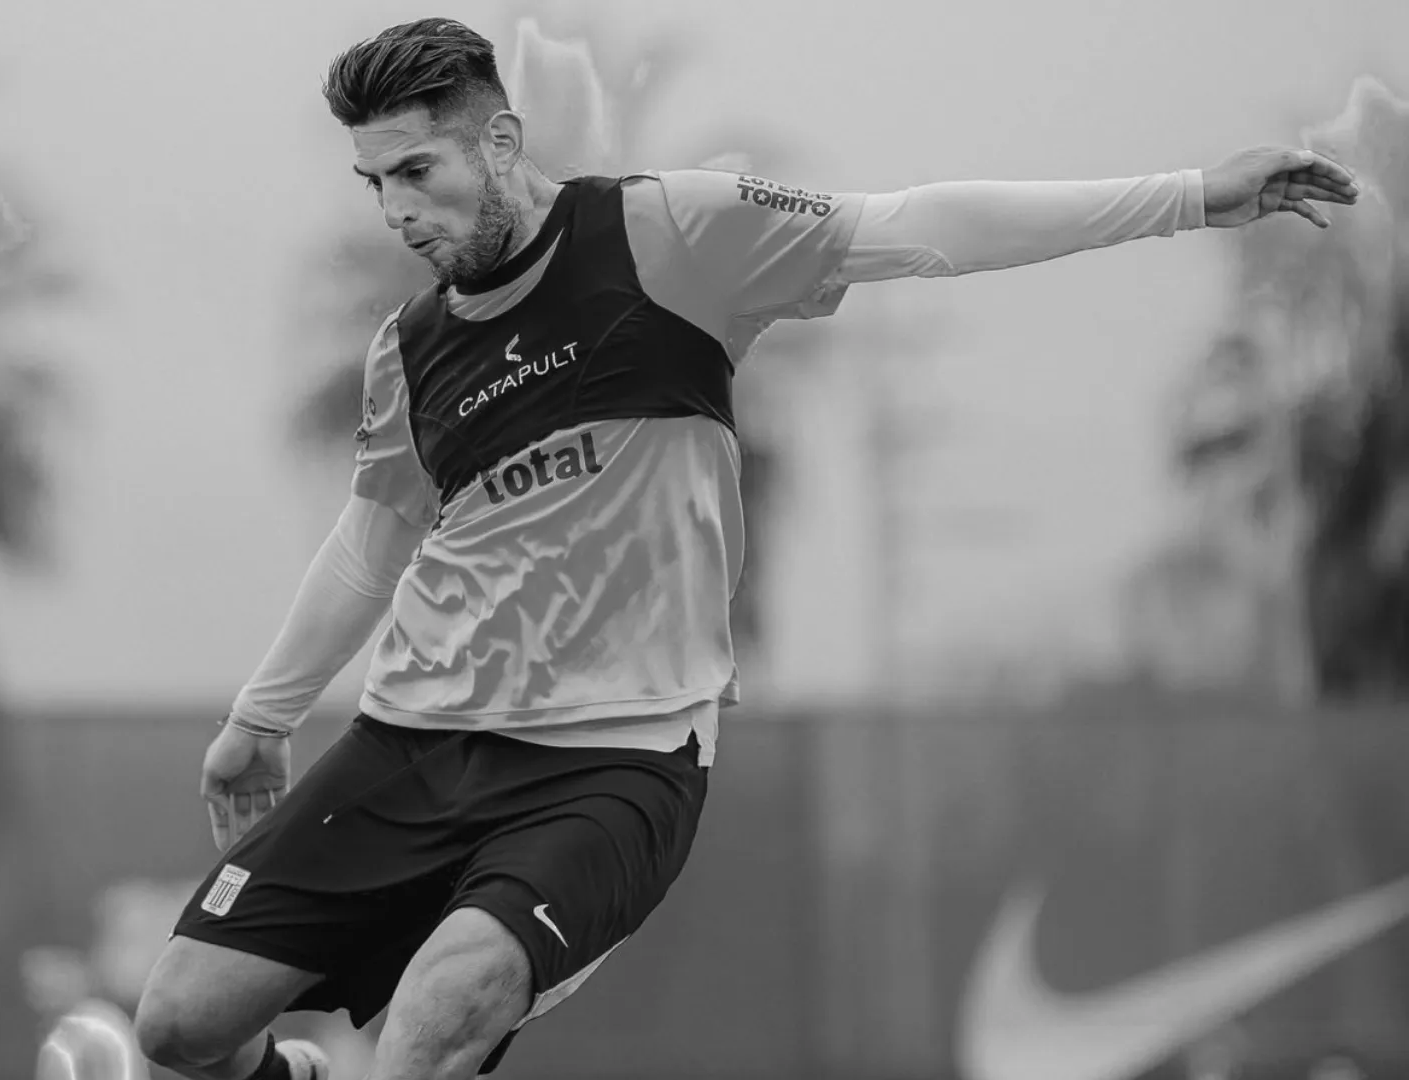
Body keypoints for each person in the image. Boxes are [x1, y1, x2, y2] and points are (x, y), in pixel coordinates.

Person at [79, 16, 1359, 1080]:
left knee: (429, 1027)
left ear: (501, 140)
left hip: (613, 763)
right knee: (180, 1026)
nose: (396, 209)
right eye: (374, 181)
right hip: (416, 740)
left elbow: (923, 225)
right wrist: (260, 718)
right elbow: (371, 544)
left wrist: (1192, 197)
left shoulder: (669, 237)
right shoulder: (410, 351)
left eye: (418, 171)